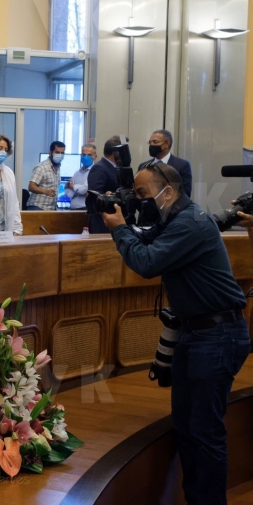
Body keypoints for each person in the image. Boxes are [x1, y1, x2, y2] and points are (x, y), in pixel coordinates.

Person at [102, 162, 249, 505]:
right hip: (196, 334)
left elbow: (147, 264)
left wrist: (120, 229)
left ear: (167, 192)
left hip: (217, 336)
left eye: (143, 194)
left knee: (204, 432)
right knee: (186, 428)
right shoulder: (174, 219)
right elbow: (145, 239)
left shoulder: (189, 224)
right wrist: (119, 220)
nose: (140, 201)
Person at [138, 129, 192, 197]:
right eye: (150, 142)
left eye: (155, 142)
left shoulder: (182, 165)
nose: (152, 145)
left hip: (172, 206)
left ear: (167, 144)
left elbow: (186, 193)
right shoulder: (143, 166)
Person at [87, 136, 123, 233]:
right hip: (103, 224)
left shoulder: (117, 168)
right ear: (116, 153)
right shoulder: (99, 168)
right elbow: (96, 197)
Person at [27, 141, 65, 211]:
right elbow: (31, 186)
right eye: (57, 152)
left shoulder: (58, 167)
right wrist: (45, 191)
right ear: (50, 152)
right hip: (38, 207)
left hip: (51, 208)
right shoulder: (42, 167)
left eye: (62, 153)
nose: (60, 155)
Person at [64, 144, 97, 210]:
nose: (86, 157)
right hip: (73, 208)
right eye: (84, 154)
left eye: (89, 155)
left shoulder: (95, 171)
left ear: (95, 156)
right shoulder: (77, 173)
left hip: (85, 208)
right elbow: (68, 193)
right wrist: (75, 188)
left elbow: (84, 189)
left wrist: (72, 186)